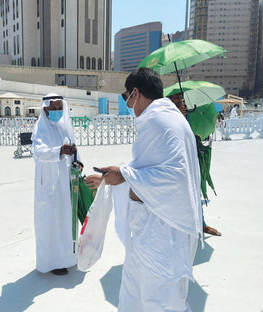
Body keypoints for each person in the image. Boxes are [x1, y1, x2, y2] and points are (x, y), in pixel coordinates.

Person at [86, 67, 203, 311]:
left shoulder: (157, 121)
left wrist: (124, 174)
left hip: (161, 233)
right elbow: (151, 168)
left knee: (158, 300)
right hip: (152, 230)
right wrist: (113, 178)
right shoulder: (168, 118)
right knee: (137, 294)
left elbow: (174, 177)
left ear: (135, 93)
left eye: (125, 96)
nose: (128, 103)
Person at [31, 93, 79, 276]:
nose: (57, 111)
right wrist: (58, 151)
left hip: (65, 182)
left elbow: (74, 148)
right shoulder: (41, 128)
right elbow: (38, 152)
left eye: (60, 108)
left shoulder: (65, 127)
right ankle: (52, 262)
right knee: (51, 222)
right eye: (54, 108)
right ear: (45, 109)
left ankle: (68, 258)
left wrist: (78, 161)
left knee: (66, 219)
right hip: (49, 183)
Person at [168, 94, 222, 237]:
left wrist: (184, 117)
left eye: (180, 98)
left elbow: (191, 133)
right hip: (172, 163)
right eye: (174, 99)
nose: (178, 101)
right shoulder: (165, 116)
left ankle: (201, 224)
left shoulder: (188, 114)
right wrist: (176, 116)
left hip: (189, 159)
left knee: (194, 192)